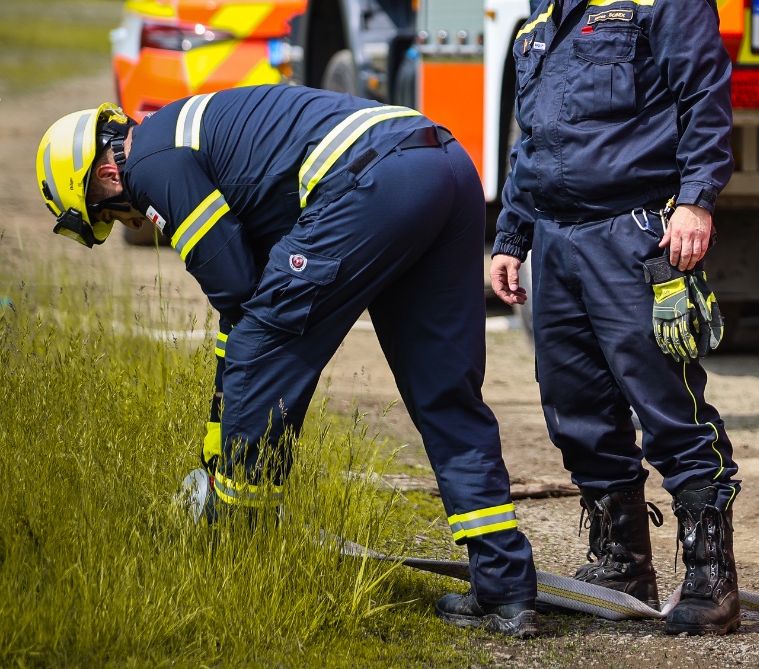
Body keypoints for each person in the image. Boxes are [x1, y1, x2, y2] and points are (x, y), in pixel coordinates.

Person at [35, 90, 541, 638]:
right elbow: (248, 302)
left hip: (375, 178)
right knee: (444, 393)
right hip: (443, 163)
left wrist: (221, 464)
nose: (130, 221)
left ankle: (235, 552)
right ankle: (505, 589)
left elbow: (238, 296)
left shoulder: (152, 162)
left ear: (107, 173)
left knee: (263, 347)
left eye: (109, 211)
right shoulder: (194, 137)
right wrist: (216, 426)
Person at [488, 0, 741, 635]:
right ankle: (620, 561)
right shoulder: (543, 1)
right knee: (576, 409)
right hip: (556, 246)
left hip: (637, 240)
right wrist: (509, 235)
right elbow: (538, 133)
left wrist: (697, 200)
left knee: (669, 405)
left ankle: (710, 582)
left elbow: (705, 107)